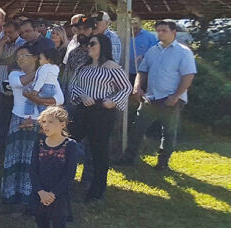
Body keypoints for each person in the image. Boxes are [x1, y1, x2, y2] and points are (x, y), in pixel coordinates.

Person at [119, 19, 196, 170]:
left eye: (164, 30)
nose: (160, 33)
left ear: (173, 32)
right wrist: (137, 87)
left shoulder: (183, 52)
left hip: (171, 98)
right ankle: (129, 158)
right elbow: (142, 71)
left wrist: (176, 96)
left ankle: (162, 163)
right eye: (158, 30)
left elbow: (188, 76)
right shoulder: (153, 50)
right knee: (137, 129)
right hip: (151, 97)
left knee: (168, 132)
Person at [2, 45, 64, 211]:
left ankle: (30, 200)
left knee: (33, 160)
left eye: (24, 55)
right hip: (18, 119)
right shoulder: (15, 74)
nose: (20, 59)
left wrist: (39, 101)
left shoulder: (47, 75)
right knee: (15, 158)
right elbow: (20, 83)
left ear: (35, 57)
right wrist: (41, 73)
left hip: (39, 122)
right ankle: (11, 197)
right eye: (18, 57)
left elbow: (59, 98)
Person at [69, 34, 130, 202]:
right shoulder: (83, 67)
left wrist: (113, 101)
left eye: (92, 44)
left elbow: (126, 88)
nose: (89, 46)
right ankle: (65, 181)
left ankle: (96, 191)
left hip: (101, 112)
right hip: (83, 109)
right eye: (88, 44)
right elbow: (73, 86)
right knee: (69, 142)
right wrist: (81, 95)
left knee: (99, 150)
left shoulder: (112, 67)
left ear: (102, 45)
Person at [30, 106, 82, 228]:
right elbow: (33, 170)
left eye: (51, 122)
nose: (46, 125)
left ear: (62, 124)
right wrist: (40, 192)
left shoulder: (71, 145)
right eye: (43, 122)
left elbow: (69, 175)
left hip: (58, 199)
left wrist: (52, 194)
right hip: (40, 197)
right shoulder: (39, 143)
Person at [0, 21, 21, 151]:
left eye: (10, 32)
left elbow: (15, 60)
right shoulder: (2, 44)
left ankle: (12, 146)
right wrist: (0, 43)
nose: (7, 35)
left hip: (16, 89)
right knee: (0, 118)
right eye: (5, 32)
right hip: (1, 88)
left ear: (17, 32)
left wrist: (1, 62)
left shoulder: (22, 44)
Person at [24, 47, 61, 118]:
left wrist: (35, 90)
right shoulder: (56, 68)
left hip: (44, 87)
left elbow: (41, 80)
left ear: (48, 60)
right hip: (51, 89)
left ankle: (28, 116)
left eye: (40, 58)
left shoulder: (45, 67)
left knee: (30, 100)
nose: (39, 60)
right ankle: (44, 117)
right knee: (43, 104)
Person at [128, 17, 158, 83]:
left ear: (140, 24)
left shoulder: (150, 37)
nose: (133, 26)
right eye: (131, 23)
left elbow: (155, 52)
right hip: (126, 72)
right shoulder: (122, 35)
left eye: (136, 23)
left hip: (144, 73)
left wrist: (143, 56)